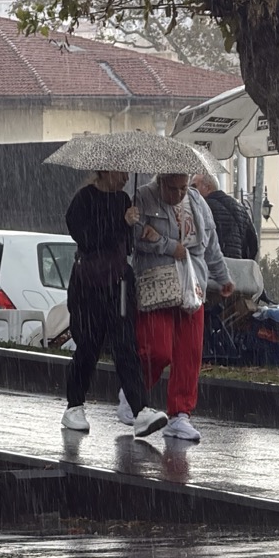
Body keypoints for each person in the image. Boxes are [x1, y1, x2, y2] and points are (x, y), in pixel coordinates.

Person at [61, 171, 169, 437]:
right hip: (89, 285)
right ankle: (74, 405)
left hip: (118, 283)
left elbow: (124, 246)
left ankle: (140, 408)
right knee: (88, 346)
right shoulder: (83, 200)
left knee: (125, 346)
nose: (124, 178)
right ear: (105, 171)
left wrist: (135, 227)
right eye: (120, 173)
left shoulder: (123, 199)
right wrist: (119, 222)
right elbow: (87, 239)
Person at [130, 173, 234, 441]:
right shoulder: (143, 196)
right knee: (157, 348)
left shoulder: (198, 201)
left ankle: (180, 414)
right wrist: (168, 246)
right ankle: (133, 392)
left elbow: (211, 246)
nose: (179, 194)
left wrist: (222, 277)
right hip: (158, 283)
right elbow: (136, 238)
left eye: (184, 187)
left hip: (192, 283)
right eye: (173, 188)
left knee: (190, 352)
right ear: (161, 181)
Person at [191, 174, 259, 260]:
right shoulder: (240, 207)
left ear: (208, 188)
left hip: (215, 266)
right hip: (238, 266)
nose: (191, 191)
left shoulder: (203, 208)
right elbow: (253, 243)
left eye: (194, 186)